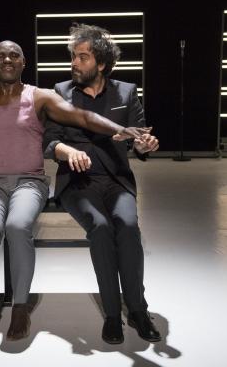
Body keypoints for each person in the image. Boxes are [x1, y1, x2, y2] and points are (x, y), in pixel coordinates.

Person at [0, 40, 148, 341]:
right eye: (0, 56)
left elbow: (81, 116)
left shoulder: (39, 97)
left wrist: (119, 129)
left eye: (13, 55)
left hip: (30, 181)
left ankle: (20, 306)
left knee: (17, 227)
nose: (7, 60)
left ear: (23, 62)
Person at [43, 24, 161, 344]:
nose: (74, 63)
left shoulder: (126, 92)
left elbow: (138, 139)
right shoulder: (60, 92)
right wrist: (67, 151)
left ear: (102, 64)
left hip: (116, 180)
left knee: (127, 226)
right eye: (73, 56)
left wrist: (144, 145)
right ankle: (111, 313)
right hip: (77, 182)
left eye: (83, 57)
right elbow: (49, 143)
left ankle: (137, 309)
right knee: (100, 227)